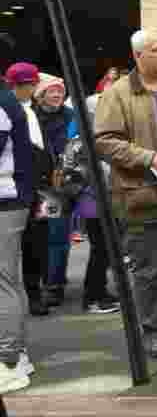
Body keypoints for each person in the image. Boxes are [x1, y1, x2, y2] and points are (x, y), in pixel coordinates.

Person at [95, 30, 157, 359]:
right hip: (142, 195)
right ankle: (153, 329)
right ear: (138, 56)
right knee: (151, 269)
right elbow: (105, 141)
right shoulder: (118, 94)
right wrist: (147, 157)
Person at [60, 96, 121, 314]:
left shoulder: (91, 137)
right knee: (100, 250)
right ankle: (93, 297)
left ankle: (100, 292)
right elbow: (84, 173)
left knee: (104, 250)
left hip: (101, 200)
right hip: (93, 202)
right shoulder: (84, 140)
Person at [0, 37, 36, 394]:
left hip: (6, 202)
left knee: (4, 281)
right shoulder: (9, 101)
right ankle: (16, 352)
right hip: (12, 201)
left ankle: (9, 360)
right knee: (10, 278)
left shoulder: (1, 102)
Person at [6, 63, 48, 318]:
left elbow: (44, 146)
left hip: (37, 188)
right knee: (10, 248)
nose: (32, 89)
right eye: (28, 85)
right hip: (13, 190)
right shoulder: (8, 110)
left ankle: (35, 293)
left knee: (36, 244)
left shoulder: (34, 110)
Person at [33, 75, 76, 309]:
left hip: (60, 185)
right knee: (41, 237)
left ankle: (54, 286)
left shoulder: (70, 116)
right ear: (41, 95)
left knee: (58, 235)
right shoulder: (32, 116)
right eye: (53, 92)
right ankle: (47, 279)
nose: (58, 95)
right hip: (39, 184)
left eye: (60, 91)